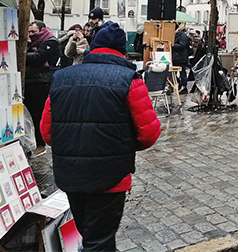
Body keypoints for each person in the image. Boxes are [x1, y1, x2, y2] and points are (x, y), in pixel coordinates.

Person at [40, 22, 161, 251]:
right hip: (111, 176)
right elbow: (149, 133)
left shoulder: (61, 77)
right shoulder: (129, 79)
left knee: (91, 234)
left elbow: (47, 133)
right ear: (122, 50)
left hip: (71, 174)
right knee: (99, 240)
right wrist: (119, 145)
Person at [25, 20, 60, 156]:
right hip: (32, 80)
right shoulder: (32, 43)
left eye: (34, 32)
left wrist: (21, 53)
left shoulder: (51, 42)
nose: (31, 35)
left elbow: (38, 58)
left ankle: (41, 143)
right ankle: (34, 141)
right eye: (29, 32)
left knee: (39, 113)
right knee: (31, 113)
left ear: (42, 30)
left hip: (42, 81)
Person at [172, 23, 192, 93]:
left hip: (180, 57)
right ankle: (178, 85)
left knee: (181, 72)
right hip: (178, 57)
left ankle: (183, 86)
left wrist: (172, 45)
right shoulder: (180, 35)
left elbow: (182, 45)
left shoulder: (182, 36)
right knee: (176, 73)